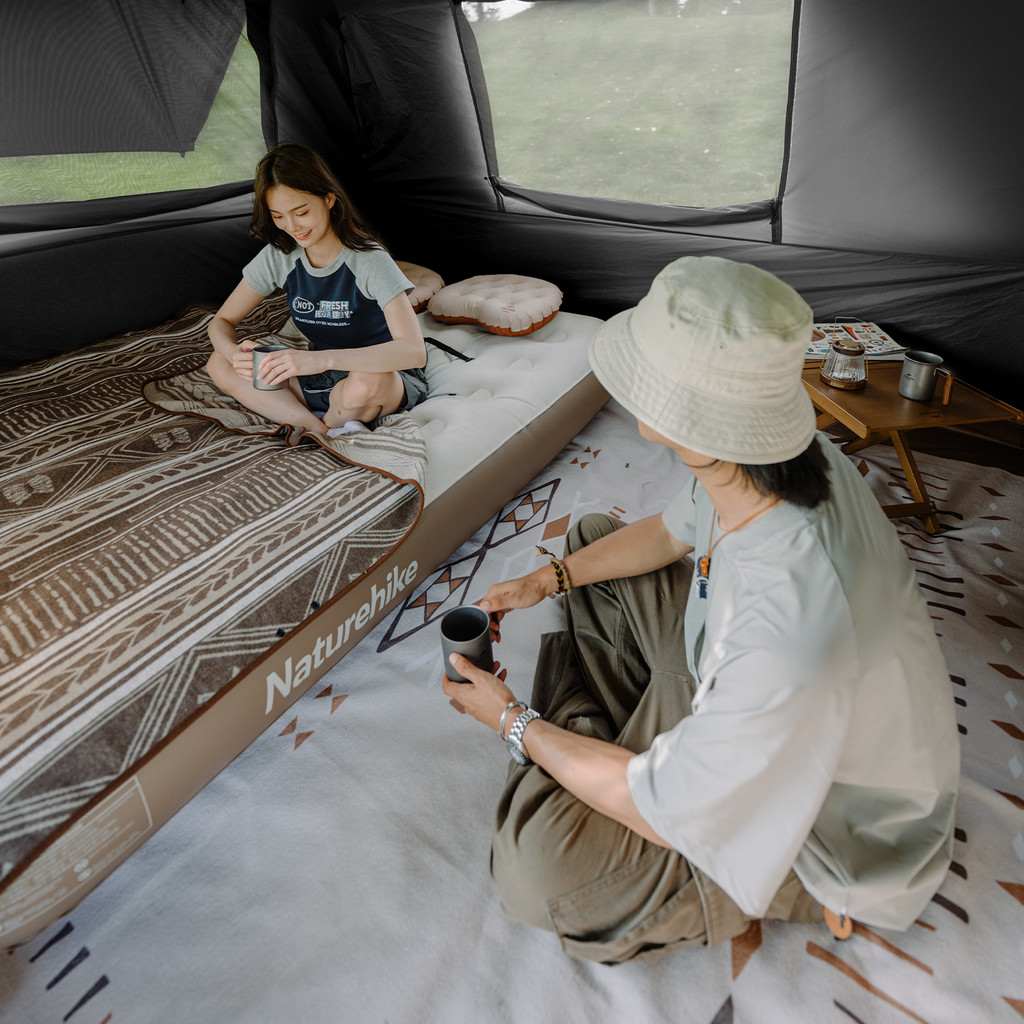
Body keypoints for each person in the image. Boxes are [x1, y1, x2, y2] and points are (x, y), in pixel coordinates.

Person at [442, 256, 960, 964]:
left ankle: (604, 760)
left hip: (815, 825)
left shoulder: (789, 623)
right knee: (590, 542)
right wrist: (546, 579)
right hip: (738, 694)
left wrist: (513, 722)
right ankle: (608, 753)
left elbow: (668, 815)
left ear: (672, 414)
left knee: (540, 874)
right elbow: (668, 534)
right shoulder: (770, 455)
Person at [206, 143, 427, 437]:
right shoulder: (280, 256)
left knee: (368, 381)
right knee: (219, 362)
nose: (292, 226)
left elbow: (413, 351)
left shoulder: (370, 260)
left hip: (385, 374)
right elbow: (220, 322)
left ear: (329, 199)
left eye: (301, 212)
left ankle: (326, 420)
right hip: (321, 376)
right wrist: (234, 354)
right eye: (278, 216)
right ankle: (315, 428)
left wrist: (320, 360)